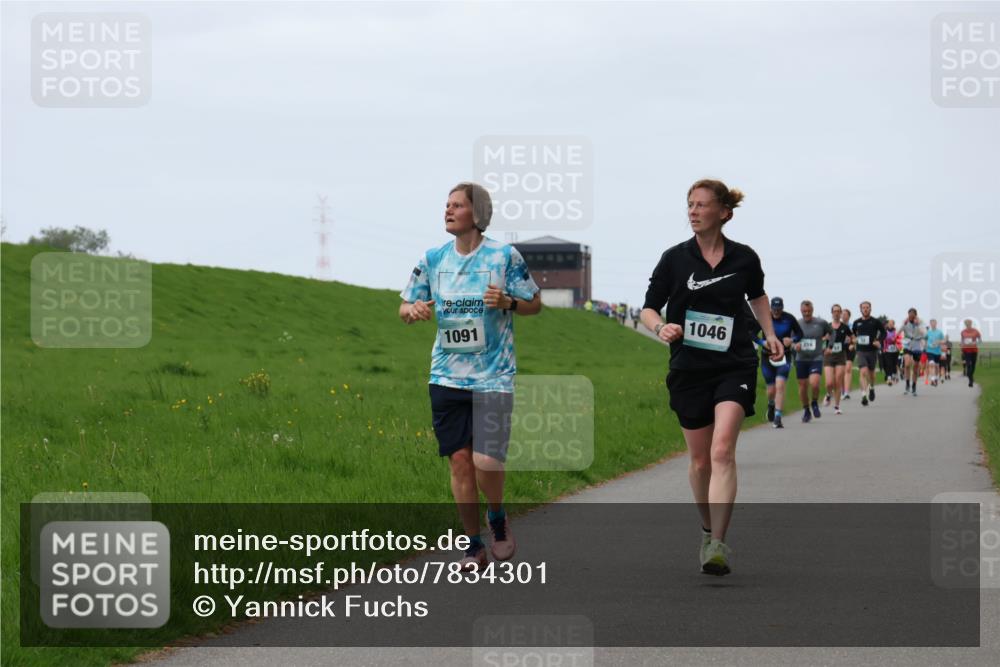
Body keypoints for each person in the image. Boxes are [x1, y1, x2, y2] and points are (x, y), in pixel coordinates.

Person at [641, 179, 782, 577]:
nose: (693, 211)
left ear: (724, 213)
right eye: (689, 205)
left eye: (702, 205)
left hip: (734, 362)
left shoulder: (745, 258)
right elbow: (649, 308)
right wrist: (660, 328)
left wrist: (769, 334)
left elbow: (757, 297)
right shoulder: (674, 259)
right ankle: (706, 529)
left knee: (722, 451)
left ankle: (718, 543)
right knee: (700, 461)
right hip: (688, 367)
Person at [399, 182, 542, 571]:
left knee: (486, 462)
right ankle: (472, 544)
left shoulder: (503, 256)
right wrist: (412, 311)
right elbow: (406, 302)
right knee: (460, 464)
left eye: (456, 205)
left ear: (476, 214)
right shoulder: (433, 258)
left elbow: (534, 304)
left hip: (493, 376)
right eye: (446, 205)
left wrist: (508, 302)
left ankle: (496, 517)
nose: (447, 211)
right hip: (445, 375)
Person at [758, 296, 801, 429]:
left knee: (780, 385)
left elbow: (800, 333)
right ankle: (771, 404)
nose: (776, 312)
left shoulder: (789, 318)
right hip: (768, 357)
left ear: (782, 308)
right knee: (771, 390)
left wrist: (792, 340)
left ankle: (778, 417)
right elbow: (751, 333)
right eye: (774, 309)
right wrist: (762, 342)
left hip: (785, 356)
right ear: (771, 307)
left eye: (779, 309)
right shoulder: (764, 318)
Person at [795, 300, 832, 422]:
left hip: (816, 357)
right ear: (801, 311)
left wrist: (829, 347)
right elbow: (790, 340)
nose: (806, 313)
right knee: (802, 387)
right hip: (801, 359)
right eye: (804, 311)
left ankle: (815, 402)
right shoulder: (796, 324)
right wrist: (795, 346)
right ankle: (806, 410)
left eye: (809, 311)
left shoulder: (821, 323)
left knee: (815, 383)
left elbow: (832, 332)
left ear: (812, 310)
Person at [851, 301, 886, 407]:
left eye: (867, 307)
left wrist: (879, 340)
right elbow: (853, 334)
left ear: (870, 309)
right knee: (863, 372)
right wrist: (854, 340)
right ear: (860, 309)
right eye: (863, 308)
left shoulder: (875, 321)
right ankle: (863, 395)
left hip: (872, 351)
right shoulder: (856, 322)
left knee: (871, 374)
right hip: (861, 351)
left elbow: (884, 332)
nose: (865, 309)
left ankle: (871, 387)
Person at [823, 303, 852, 414]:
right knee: (829, 382)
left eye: (838, 311)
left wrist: (851, 342)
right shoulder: (827, 327)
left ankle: (837, 406)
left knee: (838, 380)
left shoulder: (845, 327)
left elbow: (852, 337)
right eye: (834, 311)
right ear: (831, 313)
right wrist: (824, 337)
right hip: (829, 356)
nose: (836, 313)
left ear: (840, 313)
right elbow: (820, 338)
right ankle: (828, 394)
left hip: (840, 355)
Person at [900, 308, 924, 396]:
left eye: (913, 315)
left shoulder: (920, 322)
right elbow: (900, 329)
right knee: (907, 364)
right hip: (907, 344)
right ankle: (907, 384)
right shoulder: (905, 321)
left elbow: (924, 334)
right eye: (909, 315)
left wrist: (918, 325)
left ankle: (914, 386)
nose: (911, 317)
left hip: (917, 345)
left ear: (915, 316)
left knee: (915, 368)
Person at [960, 319, 983, 387]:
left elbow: (980, 341)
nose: (968, 324)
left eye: (969, 323)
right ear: (965, 324)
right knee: (968, 364)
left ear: (971, 323)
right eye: (966, 323)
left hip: (974, 350)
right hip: (966, 350)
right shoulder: (963, 332)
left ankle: (971, 376)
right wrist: (961, 344)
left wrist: (975, 342)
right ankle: (970, 380)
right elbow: (962, 340)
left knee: (973, 365)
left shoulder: (975, 331)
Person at [926, 319, 944, 386]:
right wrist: (927, 344)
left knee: (936, 366)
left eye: (934, 323)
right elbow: (924, 339)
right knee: (931, 364)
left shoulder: (939, 332)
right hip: (930, 351)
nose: (933, 324)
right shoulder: (928, 332)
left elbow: (943, 340)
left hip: (937, 351)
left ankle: (935, 378)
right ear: (930, 324)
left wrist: (939, 342)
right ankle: (932, 379)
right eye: (931, 323)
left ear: (936, 324)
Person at [842, 308, 855, 399]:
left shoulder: (852, 326)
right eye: (842, 314)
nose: (843, 315)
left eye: (845, 314)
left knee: (848, 368)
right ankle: (842, 390)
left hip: (850, 347)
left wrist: (853, 344)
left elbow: (856, 337)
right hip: (840, 348)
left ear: (849, 316)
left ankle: (846, 392)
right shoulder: (838, 325)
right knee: (841, 370)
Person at [882, 319, 900, 386]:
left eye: (891, 324)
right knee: (888, 364)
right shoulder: (885, 332)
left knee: (894, 364)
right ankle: (889, 378)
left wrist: (895, 341)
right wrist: (884, 348)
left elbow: (899, 339)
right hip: (887, 350)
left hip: (895, 350)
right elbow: (884, 341)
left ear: (893, 324)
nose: (890, 325)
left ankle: (894, 375)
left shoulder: (896, 332)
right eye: (889, 324)